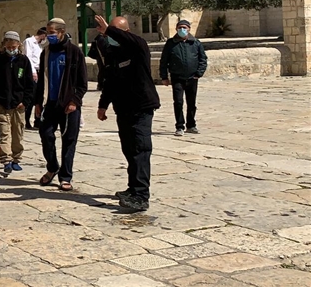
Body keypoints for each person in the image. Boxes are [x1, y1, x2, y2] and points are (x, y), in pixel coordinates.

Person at [95, 15, 160, 212]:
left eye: (116, 32)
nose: (111, 36)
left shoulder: (138, 47)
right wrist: (103, 105)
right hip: (123, 109)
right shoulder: (114, 53)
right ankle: (132, 189)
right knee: (129, 149)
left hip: (141, 107)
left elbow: (131, 40)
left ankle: (141, 196)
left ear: (126, 32)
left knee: (140, 149)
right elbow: (110, 81)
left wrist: (109, 30)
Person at [34, 18, 87, 191]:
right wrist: (38, 102)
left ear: (61, 32)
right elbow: (41, 80)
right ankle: (52, 167)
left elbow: (82, 82)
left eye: (52, 33)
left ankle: (65, 176)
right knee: (46, 135)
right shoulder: (46, 52)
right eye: (48, 32)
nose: (48, 36)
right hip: (50, 103)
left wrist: (74, 101)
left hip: (69, 105)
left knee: (69, 140)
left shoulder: (74, 52)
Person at [0, 31, 34, 174]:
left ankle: (16, 159)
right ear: (4, 45)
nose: (11, 49)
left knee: (18, 133)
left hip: (19, 105)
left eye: (14, 46)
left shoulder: (23, 61)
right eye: (9, 46)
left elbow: (29, 84)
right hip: (1, 104)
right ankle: (6, 160)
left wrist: (25, 101)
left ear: (18, 45)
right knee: (4, 133)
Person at [159, 19, 208, 136]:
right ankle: (179, 126)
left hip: (192, 78)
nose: (182, 29)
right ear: (176, 29)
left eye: (184, 28)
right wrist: (164, 77)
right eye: (180, 27)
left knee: (191, 103)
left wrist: (199, 73)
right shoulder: (171, 43)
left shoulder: (195, 43)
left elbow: (203, 59)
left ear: (189, 29)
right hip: (177, 78)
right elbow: (164, 61)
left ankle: (191, 125)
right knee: (178, 102)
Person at [23, 28, 47, 128]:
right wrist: (33, 71)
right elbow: (28, 57)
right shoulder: (29, 42)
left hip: (39, 71)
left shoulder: (39, 45)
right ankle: (27, 120)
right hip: (32, 71)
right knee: (31, 96)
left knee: (39, 97)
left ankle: (37, 120)